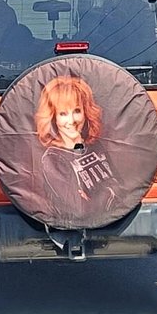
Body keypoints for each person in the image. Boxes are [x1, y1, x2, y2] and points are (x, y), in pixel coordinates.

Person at [35, 73, 118, 226]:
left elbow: (122, 187)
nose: (71, 120)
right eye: (63, 114)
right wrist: (109, 192)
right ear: (53, 117)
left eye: (77, 111)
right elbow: (80, 209)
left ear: (86, 112)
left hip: (115, 222)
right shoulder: (53, 158)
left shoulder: (95, 145)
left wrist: (101, 196)